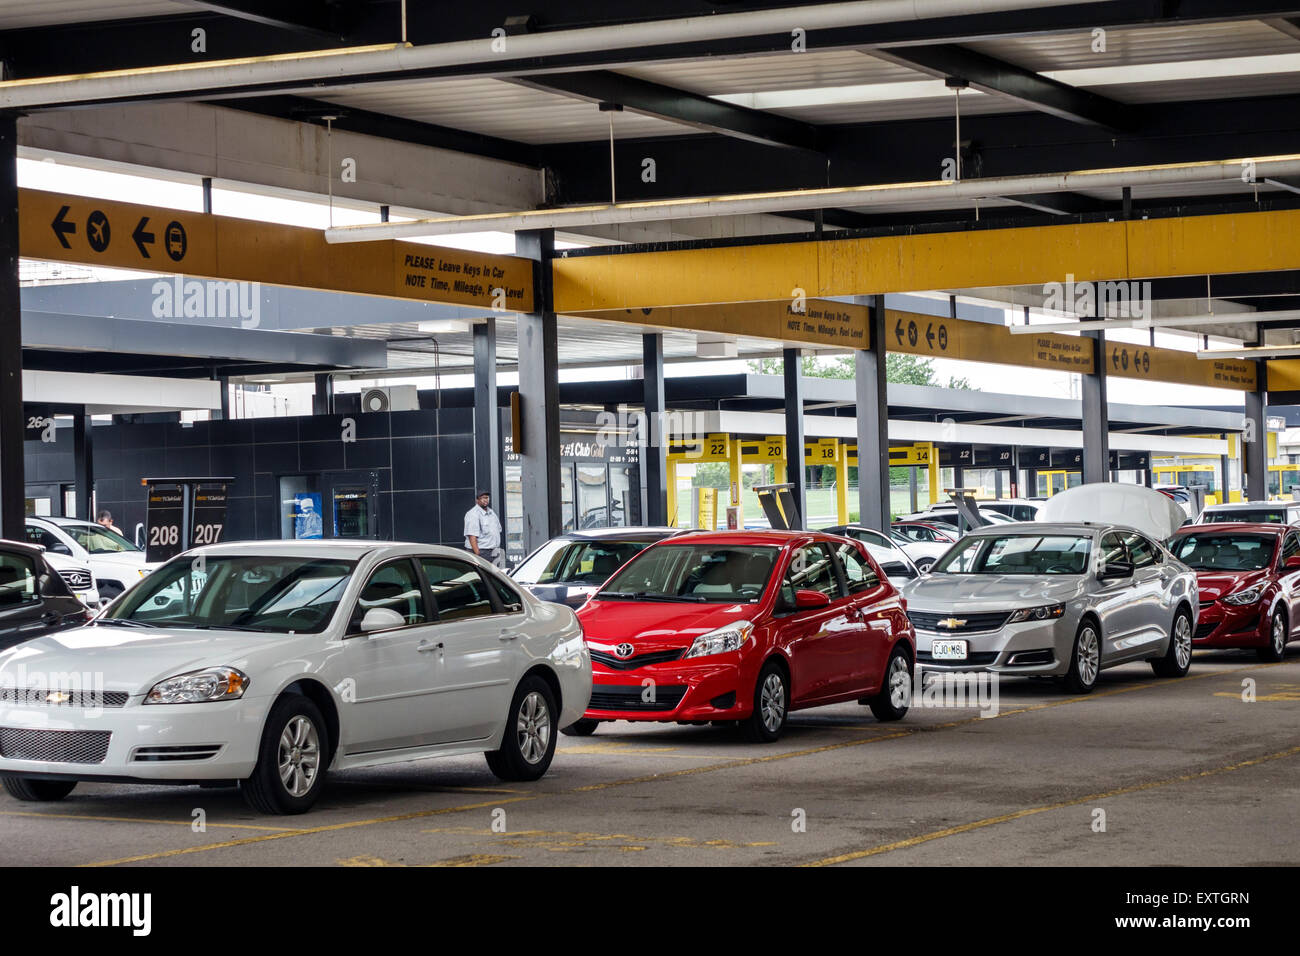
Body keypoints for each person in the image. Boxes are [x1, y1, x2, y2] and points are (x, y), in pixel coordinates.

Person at [464, 490, 503, 566]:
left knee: (503, 571)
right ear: (477, 500)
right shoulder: (473, 514)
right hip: (481, 552)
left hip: (493, 551)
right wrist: (478, 556)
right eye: (483, 498)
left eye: (487, 497)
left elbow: (498, 530)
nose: (486, 500)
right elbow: (472, 537)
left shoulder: (491, 512)